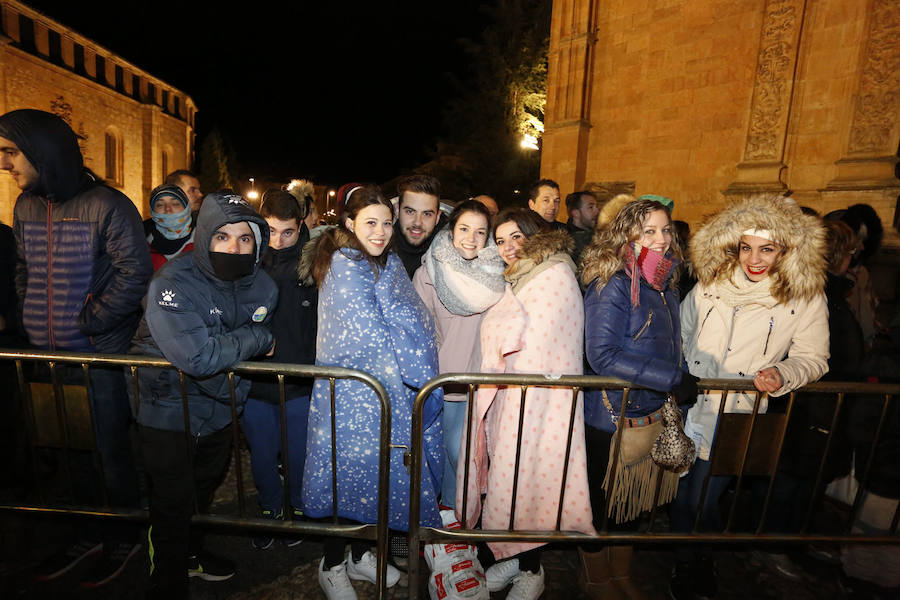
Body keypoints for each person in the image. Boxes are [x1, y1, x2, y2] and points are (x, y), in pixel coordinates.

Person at [0, 108, 153, 586]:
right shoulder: (25, 206)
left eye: (11, 152)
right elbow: (24, 268)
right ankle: (88, 533)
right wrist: (29, 315)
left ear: (42, 152)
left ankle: (124, 536)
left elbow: (135, 275)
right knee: (67, 452)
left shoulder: (109, 205)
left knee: (109, 453)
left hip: (96, 358)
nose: (5, 164)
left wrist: (90, 322)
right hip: (45, 356)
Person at [670, 195, 828, 600]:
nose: (754, 259)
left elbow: (814, 357)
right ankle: (688, 561)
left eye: (767, 249)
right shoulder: (710, 284)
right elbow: (682, 335)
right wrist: (677, 376)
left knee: (704, 497)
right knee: (682, 496)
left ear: (786, 250)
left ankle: (694, 564)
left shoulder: (805, 295)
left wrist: (783, 373)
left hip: (740, 413)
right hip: (691, 406)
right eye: (747, 247)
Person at [129, 193, 278, 599]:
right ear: (205, 237)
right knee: (172, 503)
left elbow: (220, 352)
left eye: (245, 239)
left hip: (221, 408)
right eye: (223, 237)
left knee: (203, 492)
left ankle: (193, 555)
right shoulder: (171, 283)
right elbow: (197, 356)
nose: (234, 248)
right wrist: (257, 337)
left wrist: (232, 375)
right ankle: (167, 581)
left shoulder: (262, 285)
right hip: (168, 409)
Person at [300, 185, 443, 600]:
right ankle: (331, 564)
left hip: (383, 392)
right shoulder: (345, 264)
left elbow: (408, 314)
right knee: (343, 479)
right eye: (370, 223)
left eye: (385, 223)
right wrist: (412, 356)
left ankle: (362, 555)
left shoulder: (386, 261)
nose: (380, 232)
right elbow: (368, 338)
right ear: (349, 223)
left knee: (374, 477)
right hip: (351, 397)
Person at [458, 208, 594, 600]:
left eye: (516, 237)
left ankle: (533, 573)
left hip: (541, 404)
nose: (507, 248)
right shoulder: (527, 274)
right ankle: (519, 562)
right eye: (499, 241)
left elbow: (544, 339)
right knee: (516, 481)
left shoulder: (553, 275)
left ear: (534, 235)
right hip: (518, 398)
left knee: (532, 482)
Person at [578, 197, 696, 598]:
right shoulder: (610, 281)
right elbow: (602, 354)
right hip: (610, 417)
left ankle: (621, 575)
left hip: (649, 411)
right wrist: (671, 379)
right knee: (602, 505)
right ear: (626, 236)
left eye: (666, 230)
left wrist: (671, 383)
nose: (662, 239)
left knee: (633, 505)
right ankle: (596, 580)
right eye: (649, 231)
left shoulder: (664, 283)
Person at [412, 200, 505, 509]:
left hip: (483, 384)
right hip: (442, 384)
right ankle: (445, 522)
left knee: (463, 457)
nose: (471, 238)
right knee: (446, 455)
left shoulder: (496, 275)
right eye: (464, 229)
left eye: (480, 232)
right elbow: (421, 334)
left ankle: (456, 524)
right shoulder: (428, 274)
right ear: (451, 231)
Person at [244, 189, 316, 550]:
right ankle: (271, 507)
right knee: (261, 453)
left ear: (300, 226)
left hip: (300, 382)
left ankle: (300, 507)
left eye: (287, 232)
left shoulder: (314, 264)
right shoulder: (248, 259)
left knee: (298, 454)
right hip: (256, 381)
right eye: (271, 230)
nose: (278, 240)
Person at [393, 174, 446, 278]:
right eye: (410, 211)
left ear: (438, 217)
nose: (417, 222)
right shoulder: (381, 246)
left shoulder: (452, 248)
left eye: (427, 214)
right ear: (397, 210)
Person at [145, 183, 195, 270]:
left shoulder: (204, 237)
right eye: (160, 205)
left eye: (175, 204)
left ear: (187, 207)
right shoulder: (140, 240)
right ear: (152, 211)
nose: (168, 209)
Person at [565, 190, 599, 262]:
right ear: (576, 213)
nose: (597, 211)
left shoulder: (597, 234)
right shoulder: (569, 243)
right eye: (591, 207)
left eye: (596, 207)